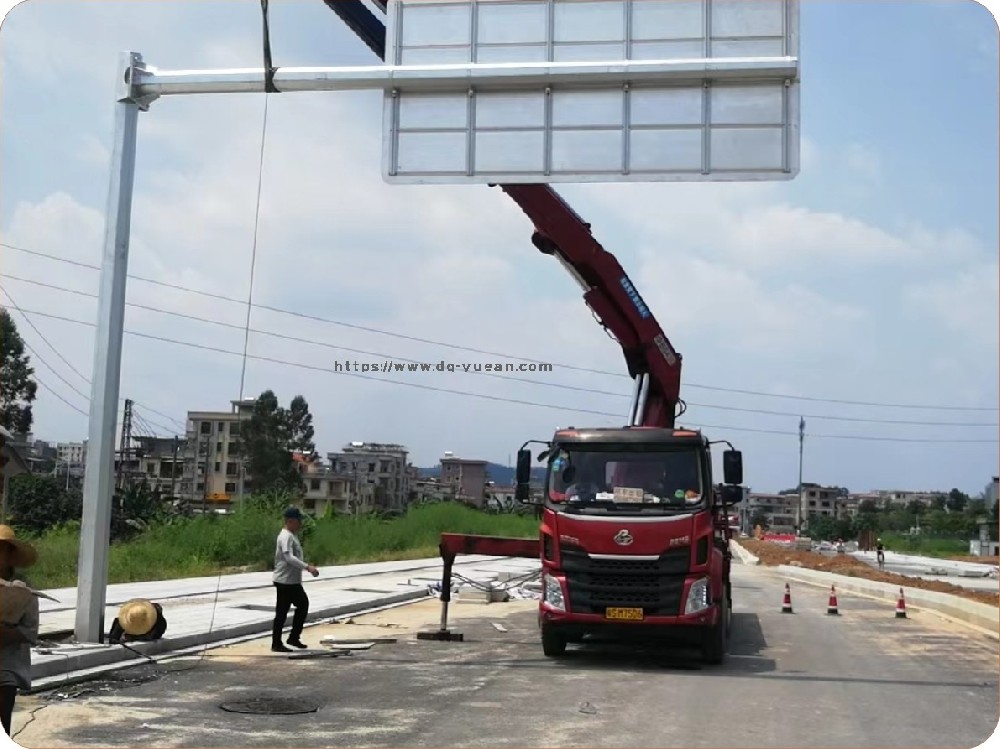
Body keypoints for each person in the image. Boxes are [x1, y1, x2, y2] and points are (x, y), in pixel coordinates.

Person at [0, 524, 39, 736]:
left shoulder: (24, 588)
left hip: (7, 666)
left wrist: (6, 630)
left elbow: (30, 632)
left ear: (10, 554)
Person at [271, 507, 318, 653]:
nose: (300, 523)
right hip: (286, 581)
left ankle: (287, 639)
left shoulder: (291, 535)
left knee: (290, 609)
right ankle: (283, 641)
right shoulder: (286, 536)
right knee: (299, 606)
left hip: (290, 581)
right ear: (290, 521)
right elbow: (288, 557)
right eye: (298, 521)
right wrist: (307, 567)